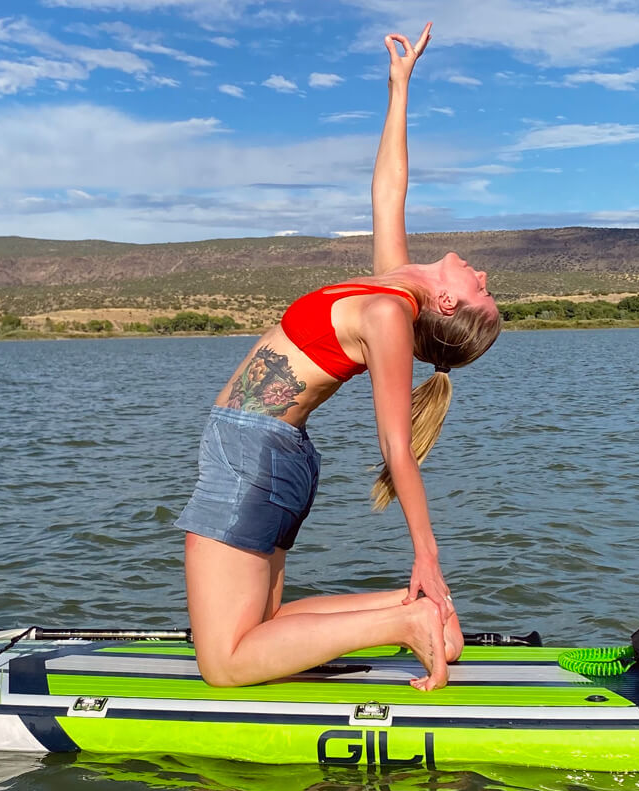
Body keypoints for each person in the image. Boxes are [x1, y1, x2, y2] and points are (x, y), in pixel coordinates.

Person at [175, 22, 500, 692]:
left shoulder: (387, 315)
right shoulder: (393, 285)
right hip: (274, 453)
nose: (485, 281)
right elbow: (388, 189)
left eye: (480, 297)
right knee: (264, 628)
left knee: (226, 662)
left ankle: (409, 621)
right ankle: (416, 613)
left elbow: (396, 446)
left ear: (446, 305)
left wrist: (428, 554)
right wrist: (401, 87)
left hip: (253, 453)